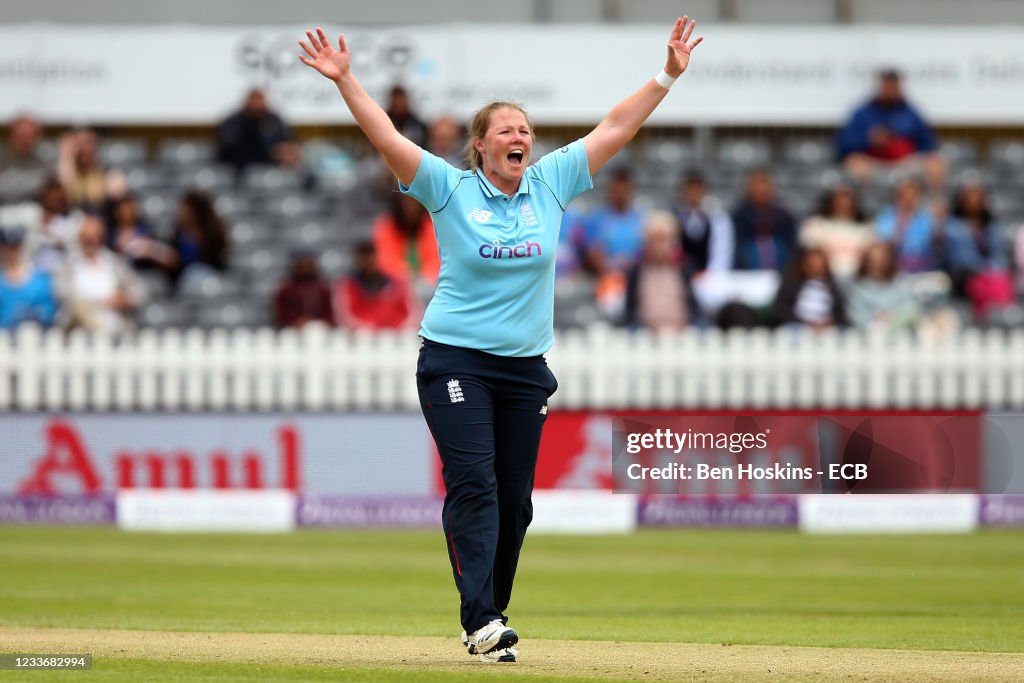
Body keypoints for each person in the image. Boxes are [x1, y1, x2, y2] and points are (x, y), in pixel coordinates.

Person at [298, 17, 703, 662]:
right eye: (506, 130)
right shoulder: (448, 187)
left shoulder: (551, 182)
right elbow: (385, 137)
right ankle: (482, 620)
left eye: (525, 130)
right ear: (481, 146)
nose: (520, 137)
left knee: (515, 502)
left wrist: (667, 76)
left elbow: (616, 128)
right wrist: (346, 80)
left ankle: (491, 613)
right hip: (456, 360)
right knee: (475, 484)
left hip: (523, 368)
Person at [838, 69, 946, 191]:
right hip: (874, 162)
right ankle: (865, 207)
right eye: (887, 85)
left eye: (893, 85)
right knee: (854, 163)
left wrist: (903, 143)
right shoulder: (863, 113)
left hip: (906, 162)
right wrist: (869, 140)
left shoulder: (910, 112)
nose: (890, 89)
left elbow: (928, 143)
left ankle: (934, 207)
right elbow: (845, 145)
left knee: (935, 164)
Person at [56, 214, 145, 336]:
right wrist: (102, 301)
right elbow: (63, 295)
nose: (90, 242)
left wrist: (125, 299)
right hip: (79, 328)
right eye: (86, 238)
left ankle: (104, 331)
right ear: (79, 238)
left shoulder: (115, 262)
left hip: (116, 324)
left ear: (101, 238)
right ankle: (101, 331)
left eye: (93, 238)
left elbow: (140, 291)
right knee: (80, 306)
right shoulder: (68, 264)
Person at [943, 182, 1012, 318]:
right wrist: (984, 270)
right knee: (980, 286)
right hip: (965, 278)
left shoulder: (991, 226)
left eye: (977, 196)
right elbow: (961, 260)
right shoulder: (953, 228)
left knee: (1002, 282)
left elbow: (999, 256)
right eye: (969, 196)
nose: (973, 201)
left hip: (990, 275)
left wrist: (992, 271)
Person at [623, 211, 689, 331]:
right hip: (645, 332)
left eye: (663, 240)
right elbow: (629, 310)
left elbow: (693, 307)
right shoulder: (636, 271)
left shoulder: (683, 270)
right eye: (654, 240)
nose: (658, 246)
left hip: (681, 330)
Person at [334, 240, 420, 331]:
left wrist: (396, 329)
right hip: (362, 336)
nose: (367, 261)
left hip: (396, 336)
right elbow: (345, 316)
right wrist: (369, 328)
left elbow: (412, 314)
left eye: (370, 256)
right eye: (363, 257)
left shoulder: (398, 283)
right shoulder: (348, 285)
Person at [799, 184, 874, 282]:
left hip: (857, 281)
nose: (843, 207)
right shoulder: (815, 224)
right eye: (839, 204)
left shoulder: (866, 228)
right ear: (831, 203)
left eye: (847, 204)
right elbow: (810, 255)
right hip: (824, 280)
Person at [216, 88, 297, 172]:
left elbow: (287, 141)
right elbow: (228, 148)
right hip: (239, 166)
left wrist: (283, 151)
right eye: (254, 99)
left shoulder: (275, 121)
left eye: (260, 99)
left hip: (271, 165)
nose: (257, 103)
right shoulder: (233, 122)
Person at [732, 169, 797, 272]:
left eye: (764, 184)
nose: (761, 189)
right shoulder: (737, 219)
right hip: (746, 277)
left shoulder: (784, 218)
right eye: (756, 185)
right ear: (748, 188)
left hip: (780, 276)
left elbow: (791, 250)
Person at [845, 241, 920, 331]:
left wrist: (891, 318)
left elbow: (911, 309)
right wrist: (876, 323)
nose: (878, 264)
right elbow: (855, 315)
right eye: (873, 260)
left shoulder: (902, 282)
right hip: (867, 338)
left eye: (882, 259)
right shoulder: (857, 288)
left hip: (900, 337)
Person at [672, 170, 733, 280]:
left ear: (704, 191)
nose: (693, 194)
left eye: (697, 190)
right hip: (682, 277)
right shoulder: (673, 219)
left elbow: (722, 252)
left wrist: (711, 275)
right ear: (682, 192)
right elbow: (673, 251)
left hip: (712, 278)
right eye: (689, 190)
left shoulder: (718, 218)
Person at [772, 246, 848, 330]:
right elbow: (781, 308)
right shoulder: (792, 284)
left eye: (819, 263)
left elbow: (840, 311)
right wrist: (806, 322)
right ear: (804, 264)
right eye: (812, 263)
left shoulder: (833, 287)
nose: (816, 267)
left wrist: (830, 321)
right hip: (798, 326)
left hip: (828, 327)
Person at [372, 192, 440, 285]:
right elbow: (385, 260)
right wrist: (406, 275)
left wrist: (424, 277)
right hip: (395, 285)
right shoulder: (385, 226)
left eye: (413, 200)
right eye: (406, 200)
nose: (410, 206)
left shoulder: (431, 225)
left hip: (427, 285)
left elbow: (436, 259)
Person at [874, 177, 939, 273]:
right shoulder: (886, 216)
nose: (909, 199)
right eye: (905, 196)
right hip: (893, 266)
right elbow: (884, 243)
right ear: (898, 197)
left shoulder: (925, 218)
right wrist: (901, 224)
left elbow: (928, 245)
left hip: (921, 267)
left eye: (913, 196)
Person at [0, 225, 58, 330]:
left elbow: (49, 308)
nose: (11, 252)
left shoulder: (40, 279)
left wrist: (36, 313)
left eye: (15, 247)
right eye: (7, 247)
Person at [169, 190, 230, 289]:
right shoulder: (178, 234)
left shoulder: (212, 234)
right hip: (183, 280)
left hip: (209, 276)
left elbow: (216, 259)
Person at [56, 128, 126, 213]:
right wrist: (67, 158)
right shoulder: (65, 171)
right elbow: (63, 192)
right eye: (79, 144)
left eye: (89, 142)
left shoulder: (109, 172)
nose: (85, 148)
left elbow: (117, 194)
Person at [107, 195, 178, 274]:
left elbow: (168, 258)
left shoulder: (146, 232)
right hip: (121, 273)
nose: (127, 214)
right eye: (124, 211)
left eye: (130, 210)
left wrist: (150, 251)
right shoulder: (111, 235)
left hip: (144, 271)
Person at [273, 248, 335, 329]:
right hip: (292, 329)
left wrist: (317, 322)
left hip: (320, 328)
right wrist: (295, 321)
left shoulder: (323, 288)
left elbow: (330, 313)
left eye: (307, 264)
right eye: (301, 264)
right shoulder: (285, 289)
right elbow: (281, 314)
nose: (305, 268)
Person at [0, 114, 49, 202]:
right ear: (12, 135)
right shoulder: (2, 158)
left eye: (29, 136)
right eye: (21, 135)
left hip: (33, 208)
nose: (24, 140)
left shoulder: (43, 160)